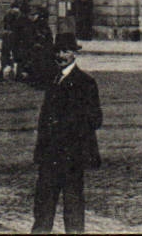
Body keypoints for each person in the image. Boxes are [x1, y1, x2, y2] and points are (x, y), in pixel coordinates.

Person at [31, 33, 101, 234]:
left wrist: (68, 129)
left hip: (72, 155)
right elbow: (44, 119)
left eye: (66, 51)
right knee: (43, 206)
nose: (61, 55)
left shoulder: (85, 82)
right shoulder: (54, 79)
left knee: (73, 205)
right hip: (49, 155)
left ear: (74, 53)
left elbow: (95, 119)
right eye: (58, 51)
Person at [0, 5, 23, 81]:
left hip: (6, 35)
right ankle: (17, 74)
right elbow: (18, 26)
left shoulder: (7, 13)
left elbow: (4, 24)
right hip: (14, 36)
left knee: (5, 55)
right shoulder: (17, 13)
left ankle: (2, 74)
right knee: (17, 55)